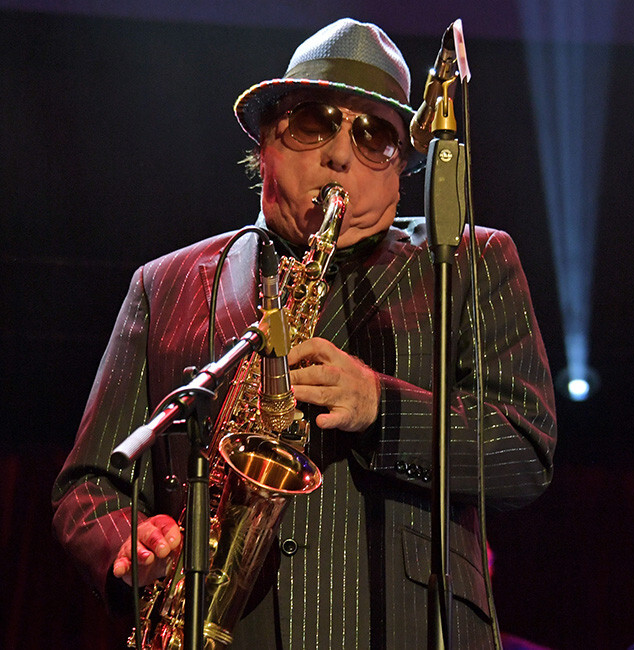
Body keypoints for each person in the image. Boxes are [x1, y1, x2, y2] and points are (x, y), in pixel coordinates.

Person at [52, 18, 557, 649]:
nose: (340, 155)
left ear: (401, 169)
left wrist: (380, 406)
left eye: (374, 137)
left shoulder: (470, 262)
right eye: (315, 124)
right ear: (265, 141)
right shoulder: (165, 284)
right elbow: (89, 483)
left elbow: (524, 452)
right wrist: (129, 541)